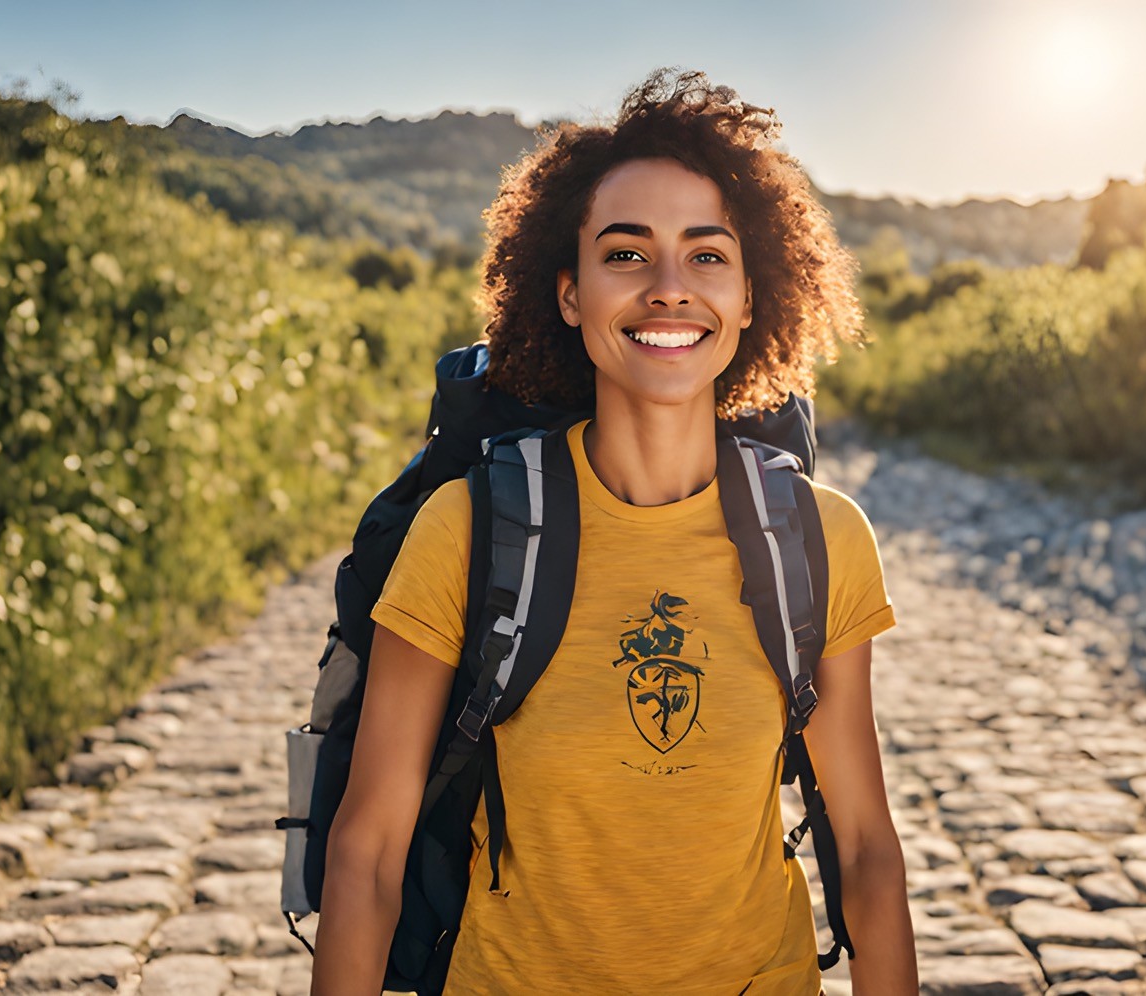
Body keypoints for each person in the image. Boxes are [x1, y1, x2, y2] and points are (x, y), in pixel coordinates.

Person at [310, 68, 918, 995]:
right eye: (627, 254)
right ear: (568, 292)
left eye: (708, 255)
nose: (670, 288)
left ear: (753, 298)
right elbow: (367, 851)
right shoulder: (468, 528)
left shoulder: (820, 537)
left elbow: (869, 846)